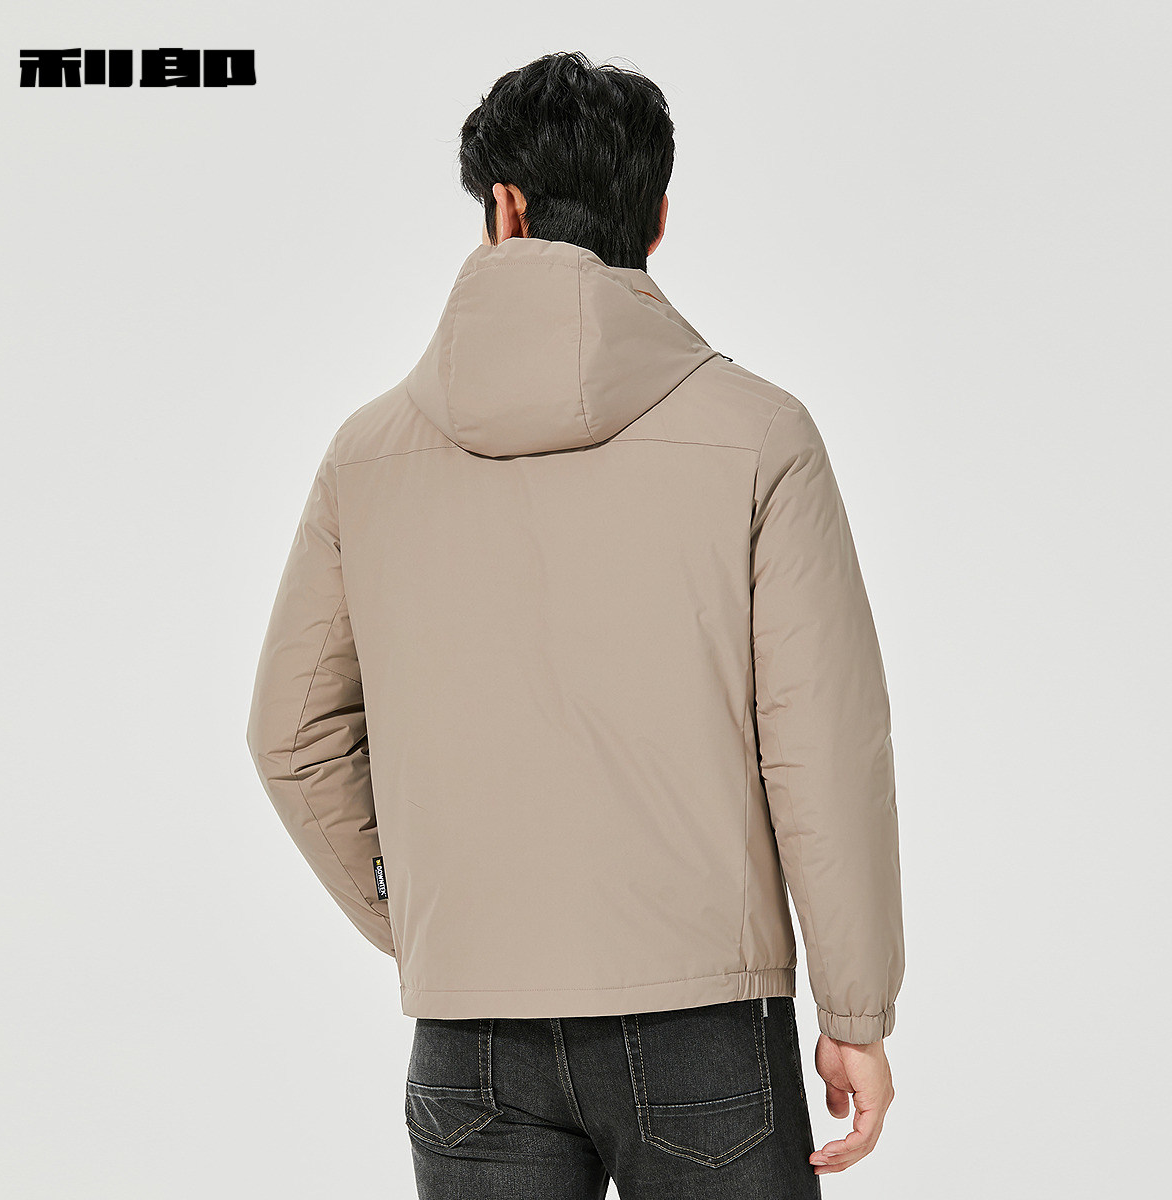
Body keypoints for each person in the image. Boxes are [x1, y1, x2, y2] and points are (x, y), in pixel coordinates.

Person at [246, 50, 904, 1198]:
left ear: (501, 208)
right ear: (656, 217)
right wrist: (856, 1009)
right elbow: (823, 748)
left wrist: (433, 923)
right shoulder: (761, 434)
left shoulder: (368, 454)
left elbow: (292, 739)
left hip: (470, 1034)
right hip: (703, 1022)